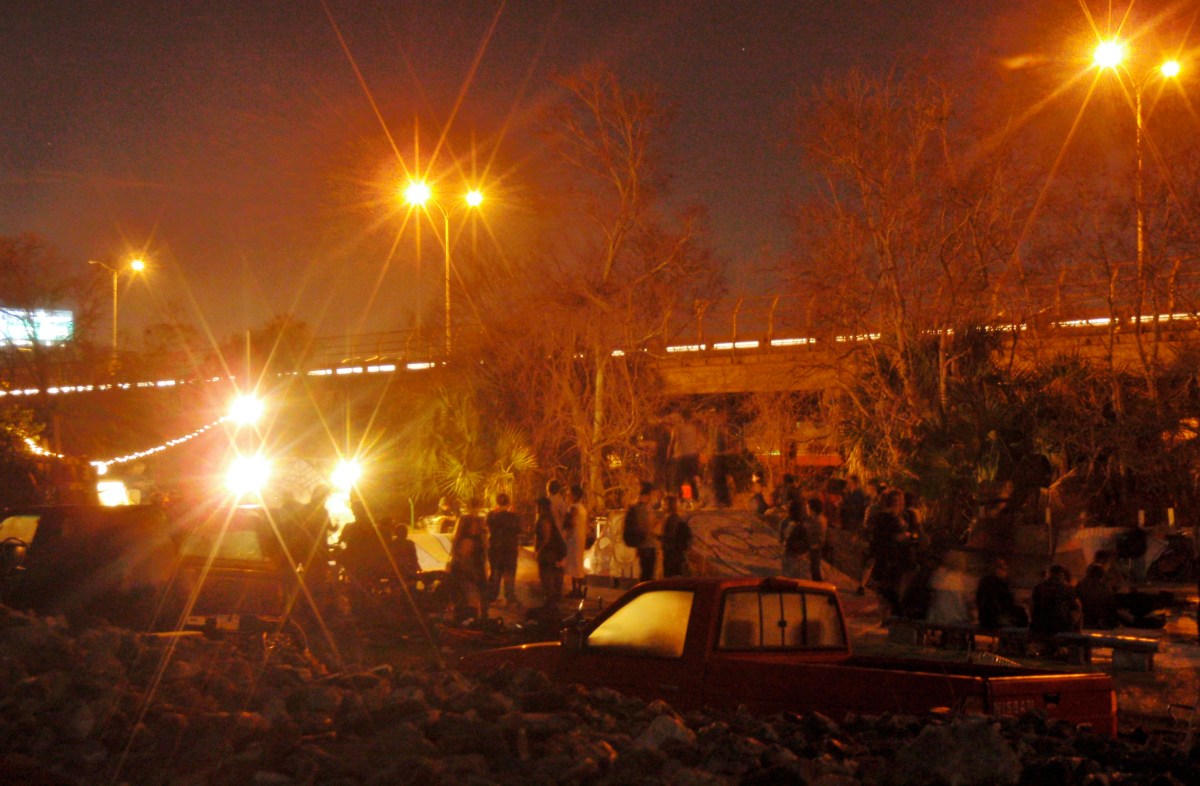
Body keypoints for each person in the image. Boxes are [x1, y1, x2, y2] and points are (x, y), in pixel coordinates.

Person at [865, 489, 914, 617]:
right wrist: (895, 537)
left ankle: (892, 612)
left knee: (898, 584)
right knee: (886, 586)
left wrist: (909, 536)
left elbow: (911, 531)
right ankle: (889, 613)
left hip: (902, 554)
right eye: (895, 500)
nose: (897, 502)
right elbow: (879, 536)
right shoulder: (883, 516)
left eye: (900, 499)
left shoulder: (905, 516)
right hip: (888, 554)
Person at [448, 499, 489, 622]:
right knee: (472, 597)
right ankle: (476, 619)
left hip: (470, 570)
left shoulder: (469, 529)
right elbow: (466, 558)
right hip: (469, 571)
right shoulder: (469, 538)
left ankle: (475, 618)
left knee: (470, 597)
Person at [1030, 564, 1082, 652]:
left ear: (1048, 574)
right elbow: (1077, 607)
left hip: (1040, 626)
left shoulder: (1039, 587)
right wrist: (1073, 622)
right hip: (1062, 626)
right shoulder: (1068, 588)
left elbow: (1032, 607)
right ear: (1062, 575)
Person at [486, 493, 522, 608]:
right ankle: (510, 598)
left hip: (495, 549)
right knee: (509, 574)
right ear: (508, 503)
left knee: (495, 573)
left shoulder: (491, 515)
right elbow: (519, 530)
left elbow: (489, 527)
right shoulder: (514, 517)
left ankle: (491, 597)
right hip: (510, 549)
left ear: (497, 503)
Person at [975, 558, 1028, 629]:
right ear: (997, 570)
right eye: (1005, 569)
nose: (1006, 573)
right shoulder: (1000, 584)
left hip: (984, 619)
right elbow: (1007, 603)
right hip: (996, 619)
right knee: (1021, 614)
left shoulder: (984, 581)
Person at [534, 495, 566, 613]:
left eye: (537, 506)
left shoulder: (545, 519)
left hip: (548, 553)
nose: (536, 508)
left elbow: (546, 537)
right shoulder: (548, 518)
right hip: (550, 552)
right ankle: (551, 603)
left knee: (546, 578)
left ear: (542, 507)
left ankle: (551, 604)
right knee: (548, 578)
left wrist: (539, 551)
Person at [626, 481, 659, 583]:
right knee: (647, 573)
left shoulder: (638, 508)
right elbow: (646, 528)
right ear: (650, 494)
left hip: (642, 545)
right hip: (648, 545)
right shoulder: (644, 509)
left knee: (645, 572)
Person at [564, 484, 590, 599]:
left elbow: (571, 523)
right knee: (578, 563)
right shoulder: (583, 508)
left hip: (573, 538)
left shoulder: (573, 508)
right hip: (581, 537)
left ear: (574, 495)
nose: (567, 495)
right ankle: (578, 589)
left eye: (569, 493)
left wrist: (567, 535)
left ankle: (576, 590)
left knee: (574, 564)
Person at [1075, 562, 1119, 629]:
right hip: (1099, 622)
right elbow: (1111, 606)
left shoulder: (1081, 585)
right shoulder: (1104, 588)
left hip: (1085, 621)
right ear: (1102, 575)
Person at [660, 495, 693, 577]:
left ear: (668, 505)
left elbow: (670, 536)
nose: (662, 507)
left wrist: (659, 537)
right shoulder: (677, 518)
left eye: (664, 504)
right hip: (677, 554)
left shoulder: (671, 519)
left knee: (670, 577)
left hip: (672, 554)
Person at [781, 499, 809, 579]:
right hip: (801, 555)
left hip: (789, 553)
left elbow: (782, 539)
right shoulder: (806, 523)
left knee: (787, 577)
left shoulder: (785, 522)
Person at [805, 497, 829, 582]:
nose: (807, 510)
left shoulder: (817, 521)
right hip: (815, 547)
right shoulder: (820, 518)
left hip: (814, 547)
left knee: (815, 569)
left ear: (813, 510)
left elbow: (812, 533)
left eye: (808, 508)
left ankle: (818, 585)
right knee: (814, 568)